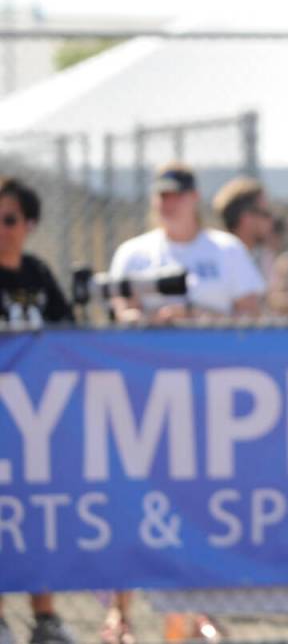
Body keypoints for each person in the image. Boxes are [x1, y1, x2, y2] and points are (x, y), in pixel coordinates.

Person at [0, 176, 77, 644]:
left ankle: (45, 616)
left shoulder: (39, 274)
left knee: (34, 515)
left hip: (36, 422)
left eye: (9, 219)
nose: (1, 228)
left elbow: (69, 336)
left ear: (29, 224)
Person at [108, 163, 265, 323]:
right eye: (163, 196)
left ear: (195, 197)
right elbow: (121, 310)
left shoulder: (228, 249)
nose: (169, 203)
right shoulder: (132, 252)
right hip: (150, 347)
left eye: (177, 195)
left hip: (213, 346)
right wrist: (146, 320)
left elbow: (251, 315)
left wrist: (195, 315)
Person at [211, 176, 275, 284]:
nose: (271, 220)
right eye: (265, 213)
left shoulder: (260, 257)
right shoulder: (219, 261)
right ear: (246, 218)